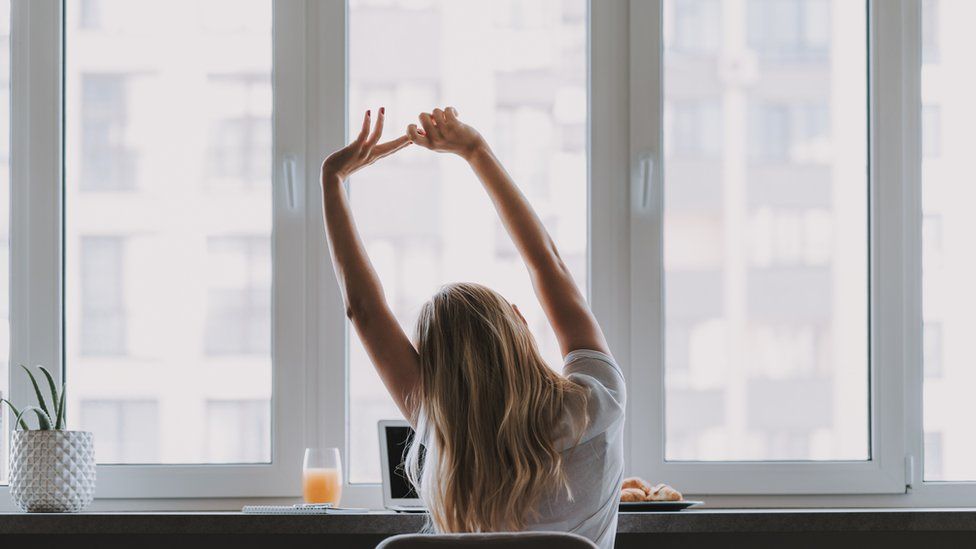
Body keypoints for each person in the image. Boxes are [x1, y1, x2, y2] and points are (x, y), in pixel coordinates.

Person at [321, 106, 626, 548]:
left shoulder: (439, 425)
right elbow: (548, 264)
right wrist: (475, 150)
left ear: (433, 367)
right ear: (520, 322)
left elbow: (363, 310)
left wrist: (333, 180)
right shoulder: (598, 403)